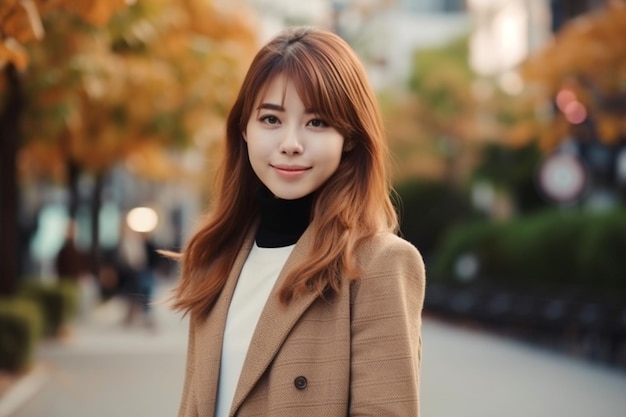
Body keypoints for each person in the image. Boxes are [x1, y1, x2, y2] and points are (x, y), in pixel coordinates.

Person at [168, 26, 426, 417]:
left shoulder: (378, 263)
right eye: (271, 119)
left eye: (317, 122)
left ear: (350, 138)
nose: (291, 142)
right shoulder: (216, 257)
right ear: (245, 129)